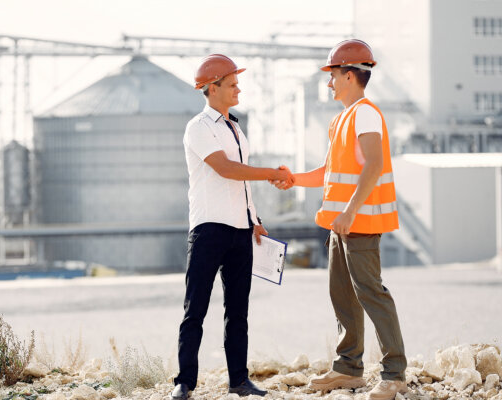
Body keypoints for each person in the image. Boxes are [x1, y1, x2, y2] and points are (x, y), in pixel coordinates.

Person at [272, 39, 407, 400]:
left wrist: (349, 211)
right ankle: (348, 369)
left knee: (371, 294)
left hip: (358, 223)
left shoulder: (364, 112)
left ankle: (394, 373)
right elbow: (332, 172)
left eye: (332, 76)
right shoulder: (342, 118)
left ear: (349, 76)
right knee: (343, 295)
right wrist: (295, 178)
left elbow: (375, 165)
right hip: (341, 225)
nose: (328, 83)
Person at [170, 54, 293, 400]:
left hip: (241, 230)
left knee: (238, 311)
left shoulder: (236, 129)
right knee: (195, 308)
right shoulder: (198, 127)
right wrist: (272, 173)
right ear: (212, 88)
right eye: (232, 83)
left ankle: (239, 381)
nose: (239, 87)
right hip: (209, 229)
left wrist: (255, 220)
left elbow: (242, 183)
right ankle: (185, 383)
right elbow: (225, 169)